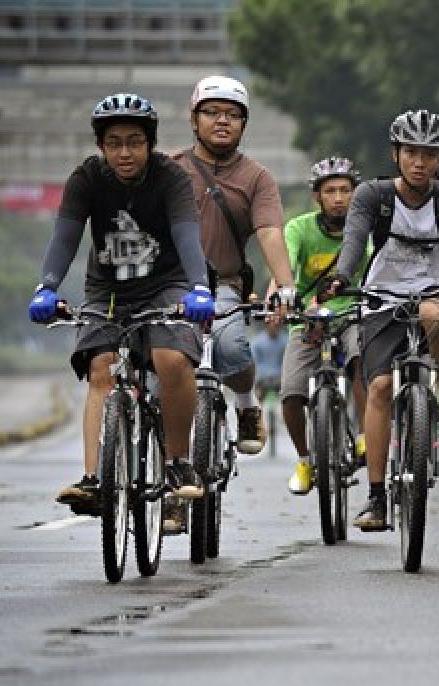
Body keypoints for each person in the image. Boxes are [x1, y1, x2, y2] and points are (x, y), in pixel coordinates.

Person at [325, 109, 439, 530]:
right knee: (378, 387)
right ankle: (375, 497)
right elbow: (353, 243)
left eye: (429, 154)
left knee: (434, 312)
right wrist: (339, 277)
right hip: (382, 298)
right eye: (411, 152)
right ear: (395, 154)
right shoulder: (372, 196)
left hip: (438, 293)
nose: (420, 162)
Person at [29, 93, 211, 515]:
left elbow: (186, 235)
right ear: (101, 147)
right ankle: (93, 479)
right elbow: (65, 237)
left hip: (167, 282)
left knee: (170, 358)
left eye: (134, 141)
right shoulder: (86, 179)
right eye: (114, 143)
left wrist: (199, 289)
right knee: (101, 367)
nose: (124, 152)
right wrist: (47, 287)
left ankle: (178, 463)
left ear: (150, 144)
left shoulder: (171, 178)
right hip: (107, 290)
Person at [174, 75, 297, 456]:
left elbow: (270, 233)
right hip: (168, 286)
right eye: (211, 112)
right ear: (194, 119)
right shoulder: (169, 169)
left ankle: (245, 406)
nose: (222, 120)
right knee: (156, 369)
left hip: (222, 285)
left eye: (232, 114)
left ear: (244, 124)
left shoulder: (257, 177)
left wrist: (286, 287)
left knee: (231, 348)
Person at [279, 156, 369, 495]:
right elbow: (285, 267)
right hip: (308, 318)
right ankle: (304, 459)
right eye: (330, 191)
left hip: (354, 313)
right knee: (291, 391)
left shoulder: (365, 228)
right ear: (318, 196)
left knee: (362, 358)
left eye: (346, 190)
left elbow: (373, 258)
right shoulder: (298, 228)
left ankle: (362, 437)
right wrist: (281, 298)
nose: (339, 198)